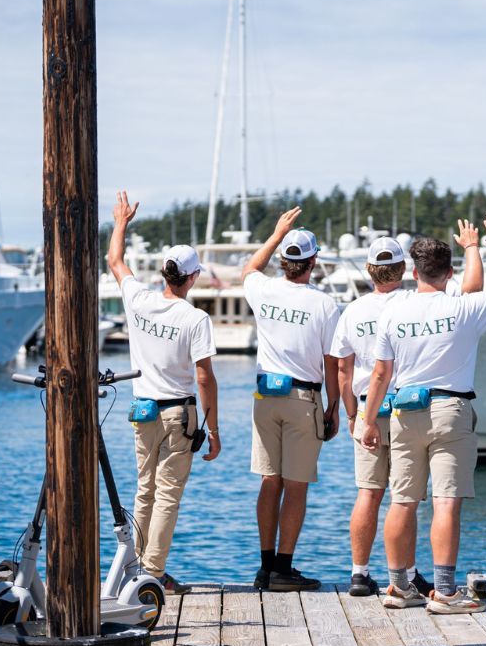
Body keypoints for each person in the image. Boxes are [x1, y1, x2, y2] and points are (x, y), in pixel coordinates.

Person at [361, 216, 486, 614]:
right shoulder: (462, 308)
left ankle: (399, 587)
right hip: (450, 411)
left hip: (403, 410)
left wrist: (368, 422)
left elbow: (380, 374)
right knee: (446, 502)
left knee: (401, 501)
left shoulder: (393, 313)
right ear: (448, 272)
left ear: (413, 271)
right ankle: (446, 592)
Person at [331, 222, 485, 598]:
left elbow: (342, 369)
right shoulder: (411, 303)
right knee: (412, 498)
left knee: (371, 493)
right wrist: (473, 248)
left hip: (370, 405)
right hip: (408, 405)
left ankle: (359, 572)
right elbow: (466, 294)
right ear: (404, 270)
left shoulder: (352, 311)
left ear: (368, 270)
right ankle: (408, 575)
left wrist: (352, 414)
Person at [107, 190, 221, 596]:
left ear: (162, 273)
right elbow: (204, 377)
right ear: (190, 278)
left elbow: (115, 261)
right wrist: (214, 429)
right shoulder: (194, 318)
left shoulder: (138, 300)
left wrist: (121, 221)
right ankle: (151, 573)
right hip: (177, 414)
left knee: (144, 490)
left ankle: (132, 566)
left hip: (142, 412)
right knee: (167, 496)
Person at [242, 207, 341, 592]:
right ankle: (284, 567)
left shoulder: (263, 290)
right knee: (296, 485)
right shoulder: (325, 304)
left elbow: (250, 268)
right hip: (304, 397)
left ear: (284, 261)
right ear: (313, 262)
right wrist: (333, 409)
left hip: (265, 394)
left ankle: (265, 567)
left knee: (270, 480)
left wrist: (276, 233)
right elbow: (332, 363)